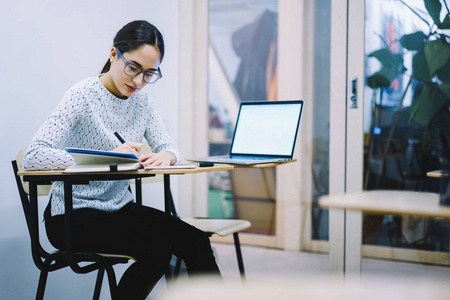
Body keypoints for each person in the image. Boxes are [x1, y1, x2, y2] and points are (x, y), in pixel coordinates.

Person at [23, 20, 221, 299]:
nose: (139, 82)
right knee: (156, 249)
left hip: (118, 208)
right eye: (133, 68)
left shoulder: (142, 102)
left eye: (149, 74)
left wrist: (166, 155)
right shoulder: (82, 95)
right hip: (71, 215)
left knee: (196, 240)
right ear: (114, 54)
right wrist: (105, 158)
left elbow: (170, 147)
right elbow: (34, 156)